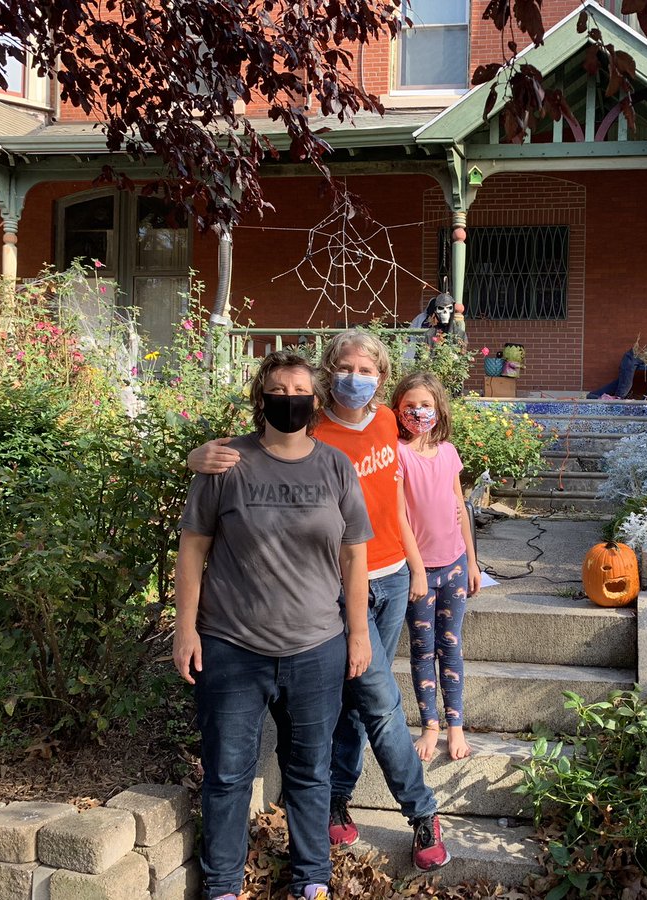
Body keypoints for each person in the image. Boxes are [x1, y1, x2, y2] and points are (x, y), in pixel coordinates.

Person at [187, 331, 450, 873]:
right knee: (377, 699)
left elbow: (399, 489)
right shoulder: (311, 427)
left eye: (368, 368)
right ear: (330, 374)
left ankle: (337, 800)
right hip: (334, 590)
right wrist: (196, 456)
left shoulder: (383, 421)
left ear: (380, 375)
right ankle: (420, 811)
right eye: (346, 367)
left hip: (392, 578)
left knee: (357, 697)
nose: (358, 377)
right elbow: (251, 454)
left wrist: (418, 561)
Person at [173, 350, 372, 900]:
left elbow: (355, 557)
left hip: (317, 647)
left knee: (309, 770)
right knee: (228, 772)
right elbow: (193, 549)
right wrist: (184, 629)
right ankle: (222, 883)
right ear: (261, 398)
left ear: (315, 400)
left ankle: (312, 877)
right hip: (232, 647)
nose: (290, 400)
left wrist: (358, 633)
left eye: (300, 392)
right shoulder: (224, 462)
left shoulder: (336, 467)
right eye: (278, 391)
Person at [390, 372, 482, 762]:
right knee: (423, 649)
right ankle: (430, 725)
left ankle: (455, 723)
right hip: (421, 571)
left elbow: (460, 507)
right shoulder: (396, 453)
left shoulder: (447, 451)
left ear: (438, 408)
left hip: (456, 565)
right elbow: (398, 516)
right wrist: (414, 570)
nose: (418, 411)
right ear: (398, 409)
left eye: (425, 404)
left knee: (452, 645)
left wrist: (473, 562)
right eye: (410, 405)